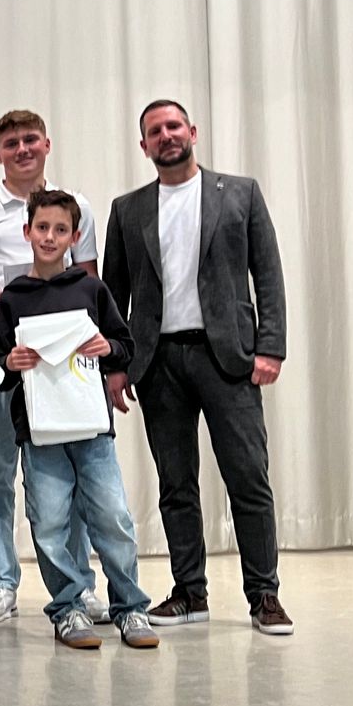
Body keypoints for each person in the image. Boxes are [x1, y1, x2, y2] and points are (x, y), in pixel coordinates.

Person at [103, 98, 292, 634]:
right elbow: (113, 294)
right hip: (157, 362)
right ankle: (190, 592)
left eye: (173, 126)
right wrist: (116, 364)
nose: (166, 136)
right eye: (154, 131)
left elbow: (268, 273)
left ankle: (265, 595)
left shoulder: (240, 193)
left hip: (227, 359)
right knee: (176, 483)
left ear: (192, 131)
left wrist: (271, 346)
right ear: (144, 145)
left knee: (248, 478)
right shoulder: (128, 209)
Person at [0, 190, 158, 651]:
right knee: (49, 523)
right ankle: (68, 608)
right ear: (27, 232)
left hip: (91, 430)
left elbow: (125, 347)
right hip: (40, 433)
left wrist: (109, 348)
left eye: (60, 230)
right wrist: (10, 361)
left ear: (75, 236)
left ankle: (131, 608)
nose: (50, 237)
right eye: (42, 228)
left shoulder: (91, 290)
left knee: (113, 518)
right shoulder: (12, 298)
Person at [0, 109, 105, 625]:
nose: (22, 149)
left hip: (62, 360)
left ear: (47, 144)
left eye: (30, 140)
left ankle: (78, 584)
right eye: (11, 143)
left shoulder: (77, 204)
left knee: (68, 474)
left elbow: (89, 282)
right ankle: (0, 583)